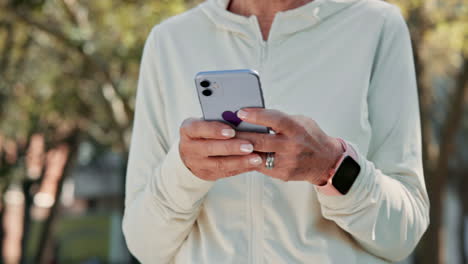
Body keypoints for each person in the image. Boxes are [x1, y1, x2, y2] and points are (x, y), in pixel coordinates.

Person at [122, 0, 430, 263]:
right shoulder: (170, 41)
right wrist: (185, 171)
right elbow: (145, 245)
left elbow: (403, 235)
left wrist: (332, 166)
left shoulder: (376, 26)